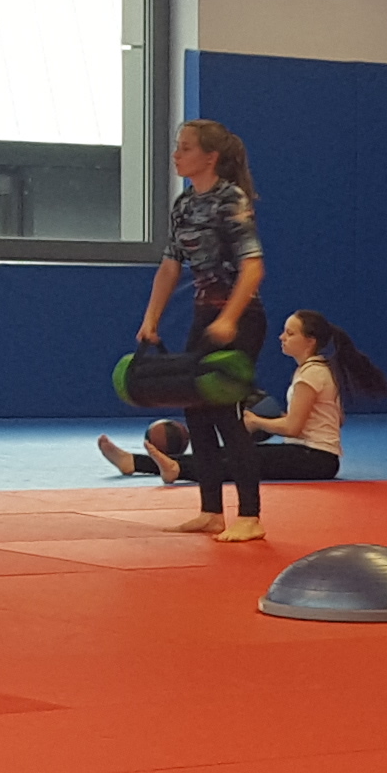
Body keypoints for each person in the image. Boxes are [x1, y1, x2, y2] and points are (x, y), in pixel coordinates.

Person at [130, 118, 272, 542]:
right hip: (203, 316)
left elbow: (253, 266)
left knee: (226, 412)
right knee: (195, 409)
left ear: (210, 157)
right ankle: (211, 510)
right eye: (177, 146)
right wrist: (151, 318)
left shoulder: (231, 199)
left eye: (185, 147)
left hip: (240, 318)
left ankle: (250, 515)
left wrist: (229, 317)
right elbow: (170, 265)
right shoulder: (185, 204)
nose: (177, 154)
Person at [108, 307, 387, 487]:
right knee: (225, 454)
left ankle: (176, 469)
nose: (281, 337)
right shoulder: (317, 370)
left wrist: (257, 421)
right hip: (310, 454)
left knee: (239, 462)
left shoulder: (312, 374)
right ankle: (136, 462)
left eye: (290, 333)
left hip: (315, 459)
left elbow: (293, 428)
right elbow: (336, 419)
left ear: (310, 341)